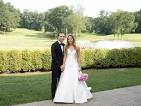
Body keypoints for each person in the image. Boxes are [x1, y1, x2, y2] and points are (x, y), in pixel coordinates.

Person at [53, 34, 93, 103]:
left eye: (71, 38)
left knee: (76, 80)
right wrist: (63, 65)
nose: (69, 40)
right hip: (68, 65)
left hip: (74, 65)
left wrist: (79, 66)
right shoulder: (66, 47)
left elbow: (78, 57)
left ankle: (78, 96)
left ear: (73, 39)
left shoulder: (77, 47)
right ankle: (64, 98)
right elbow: (65, 57)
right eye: (68, 39)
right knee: (66, 80)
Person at [51, 32, 65, 100]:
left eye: (63, 36)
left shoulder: (65, 45)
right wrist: (60, 65)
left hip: (63, 68)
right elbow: (54, 57)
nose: (62, 37)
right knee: (54, 82)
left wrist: (64, 65)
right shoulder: (54, 45)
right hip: (56, 67)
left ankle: (60, 95)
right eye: (61, 36)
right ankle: (53, 96)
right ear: (58, 37)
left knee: (62, 82)